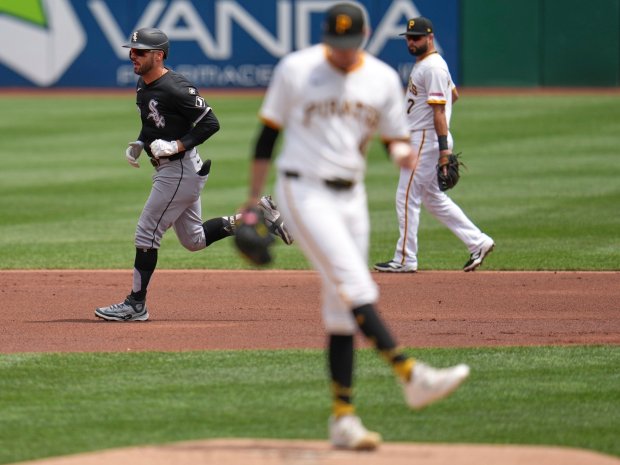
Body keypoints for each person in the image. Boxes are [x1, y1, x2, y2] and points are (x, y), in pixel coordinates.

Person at [243, 3, 469, 450]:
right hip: (302, 191)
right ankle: (411, 374)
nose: (343, 53)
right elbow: (267, 137)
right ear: (325, 37)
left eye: (350, 45)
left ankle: (343, 419)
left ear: (364, 36)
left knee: (339, 309)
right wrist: (252, 202)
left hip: (352, 196)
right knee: (355, 282)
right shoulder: (297, 70)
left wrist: (407, 156)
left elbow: (394, 141)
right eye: (335, 44)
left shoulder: (381, 78)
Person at [95, 28, 292, 322]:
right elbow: (152, 123)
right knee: (194, 240)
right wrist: (140, 143)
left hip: (179, 171)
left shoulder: (176, 88)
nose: (132, 56)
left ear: (158, 55)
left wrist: (177, 144)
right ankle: (257, 216)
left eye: (139, 52)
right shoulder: (143, 84)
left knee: (147, 231)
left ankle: (136, 304)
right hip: (177, 171)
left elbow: (210, 123)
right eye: (131, 51)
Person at [374, 17, 494, 273]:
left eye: (416, 37)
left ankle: (405, 258)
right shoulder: (429, 65)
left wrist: (443, 150)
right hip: (424, 136)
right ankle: (478, 241)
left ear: (430, 37)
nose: (411, 42)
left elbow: (439, 111)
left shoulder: (433, 68)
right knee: (433, 198)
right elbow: (454, 95)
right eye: (408, 37)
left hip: (425, 138)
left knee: (406, 196)